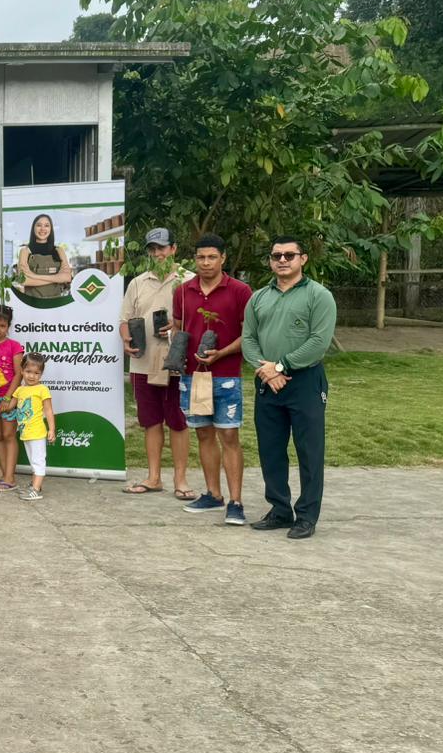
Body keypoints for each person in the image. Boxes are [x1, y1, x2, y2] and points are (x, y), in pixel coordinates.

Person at [242, 233, 337, 539]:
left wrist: (281, 366)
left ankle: (307, 516)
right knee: (270, 449)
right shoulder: (259, 297)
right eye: (276, 255)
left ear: (303, 259)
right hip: (267, 382)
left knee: (309, 451)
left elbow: (319, 342)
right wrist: (268, 372)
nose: (282, 260)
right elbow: (248, 339)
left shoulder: (319, 296)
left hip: (305, 382)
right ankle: (280, 509)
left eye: (289, 255)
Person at [173, 233, 253, 526]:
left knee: (229, 436)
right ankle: (213, 494)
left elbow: (249, 334)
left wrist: (221, 353)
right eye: (200, 257)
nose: (205, 263)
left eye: (211, 257)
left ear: (223, 258)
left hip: (226, 375)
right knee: (203, 433)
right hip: (193, 376)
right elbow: (178, 327)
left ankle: (236, 502)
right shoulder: (183, 291)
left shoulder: (240, 291)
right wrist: (177, 352)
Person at [119, 227, 194, 500]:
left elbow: (198, 322)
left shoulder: (189, 281)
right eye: (152, 249)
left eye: (162, 248)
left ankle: (181, 480)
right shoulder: (137, 282)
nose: (157, 253)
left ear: (174, 249)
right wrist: (126, 339)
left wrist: (177, 326)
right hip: (143, 362)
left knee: (178, 420)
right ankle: (153, 478)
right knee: (150, 421)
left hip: (177, 361)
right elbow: (124, 319)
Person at [1, 353, 55, 501]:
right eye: (28, 372)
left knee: (38, 461)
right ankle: (35, 485)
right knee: (33, 461)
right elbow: (9, 407)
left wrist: (51, 429)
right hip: (25, 433)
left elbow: (48, 410)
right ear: (22, 371)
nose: (32, 376)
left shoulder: (42, 389)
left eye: (36, 373)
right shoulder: (19, 390)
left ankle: (36, 490)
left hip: (37, 432)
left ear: (41, 374)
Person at [0, 305, 25, 491]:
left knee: (8, 435)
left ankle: (10, 477)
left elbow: (18, 374)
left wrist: (8, 398)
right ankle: (4, 475)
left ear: (8, 326)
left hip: (8, 398)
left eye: (2, 326)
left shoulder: (14, 346)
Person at [15, 213, 74, 297]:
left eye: (46, 225)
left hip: (56, 301)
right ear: (33, 228)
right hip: (32, 302)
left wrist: (33, 276)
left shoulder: (59, 251)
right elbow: (24, 280)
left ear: (51, 229)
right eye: (39, 225)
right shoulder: (25, 251)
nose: (42, 229)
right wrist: (57, 278)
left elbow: (67, 277)